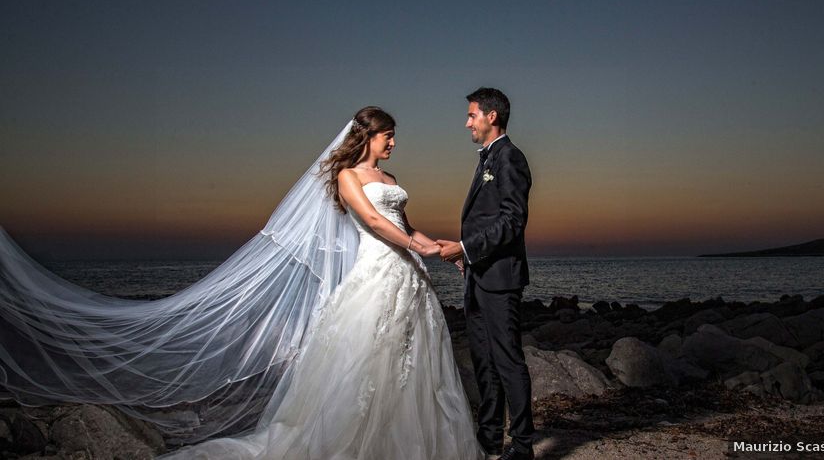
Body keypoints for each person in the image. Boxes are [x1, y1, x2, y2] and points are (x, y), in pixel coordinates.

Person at [0, 106, 484, 460]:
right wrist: (416, 246)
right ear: (368, 136)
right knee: (369, 357)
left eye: (394, 136)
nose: (393, 143)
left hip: (408, 275)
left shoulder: (390, 175)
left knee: (412, 355)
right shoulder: (347, 177)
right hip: (377, 270)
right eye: (388, 136)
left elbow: (403, 221)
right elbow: (376, 225)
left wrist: (441, 247)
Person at [436, 88, 536, 460]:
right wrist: (468, 257)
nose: (467, 123)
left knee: (508, 360)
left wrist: (464, 248)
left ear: (491, 117)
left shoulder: (511, 158)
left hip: (501, 279)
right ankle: (490, 438)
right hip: (478, 276)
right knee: (483, 360)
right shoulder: (486, 159)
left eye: (472, 115)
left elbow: (513, 221)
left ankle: (523, 446)